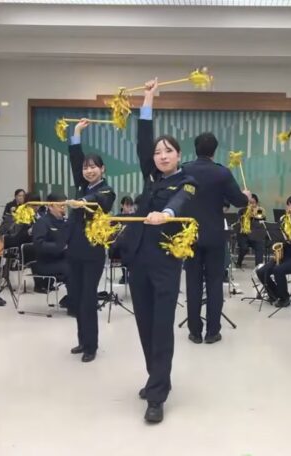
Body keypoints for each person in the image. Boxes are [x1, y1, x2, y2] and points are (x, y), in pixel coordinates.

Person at [117, 78, 197, 424]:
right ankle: (156, 377)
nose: (162, 156)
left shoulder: (187, 181)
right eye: (158, 152)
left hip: (166, 262)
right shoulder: (151, 177)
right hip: (139, 259)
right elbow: (143, 138)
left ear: (179, 155)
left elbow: (179, 203)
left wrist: (165, 214)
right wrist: (148, 98)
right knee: (145, 324)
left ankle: (157, 394)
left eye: (168, 151)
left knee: (162, 326)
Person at [182, 131, 250, 344]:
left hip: (190, 236)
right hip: (214, 236)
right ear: (214, 150)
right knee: (214, 284)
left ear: (195, 149)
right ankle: (213, 332)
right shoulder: (222, 173)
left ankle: (194, 332)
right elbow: (239, 201)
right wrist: (246, 197)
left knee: (192, 284)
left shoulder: (184, 170)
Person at [66, 119, 116, 363]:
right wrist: (76, 132)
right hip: (74, 250)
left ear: (102, 169)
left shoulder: (106, 190)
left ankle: (91, 346)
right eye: (86, 168)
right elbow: (75, 159)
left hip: (93, 252)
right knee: (76, 297)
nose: (89, 171)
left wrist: (82, 202)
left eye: (93, 167)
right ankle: (82, 340)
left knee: (88, 299)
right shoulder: (81, 185)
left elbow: (100, 201)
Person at [256, 194, 291, 308]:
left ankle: (284, 298)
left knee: (278, 270)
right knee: (261, 272)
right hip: (284, 255)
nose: (290, 209)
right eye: (288, 206)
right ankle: (275, 294)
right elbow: (277, 236)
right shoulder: (284, 220)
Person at [31, 192, 70, 307]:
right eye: (60, 206)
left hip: (62, 259)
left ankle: (75, 299)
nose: (63, 209)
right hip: (45, 263)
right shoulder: (42, 222)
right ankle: (73, 301)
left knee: (81, 265)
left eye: (65, 206)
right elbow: (39, 245)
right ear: (50, 206)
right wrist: (59, 247)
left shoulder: (65, 222)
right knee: (72, 268)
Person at [235, 194, 266, 267]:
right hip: (244, 235)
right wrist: (247, 214)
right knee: (244, 248)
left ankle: (258, 266)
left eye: (253, 203)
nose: (251, 205)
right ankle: (239, 262)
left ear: (257, 203)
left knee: (260, 246)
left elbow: (260, 221)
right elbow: (239, 222)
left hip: (255, 236)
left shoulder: (259, 210)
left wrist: (253, 214)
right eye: (249, 203)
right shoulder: (242, 211)